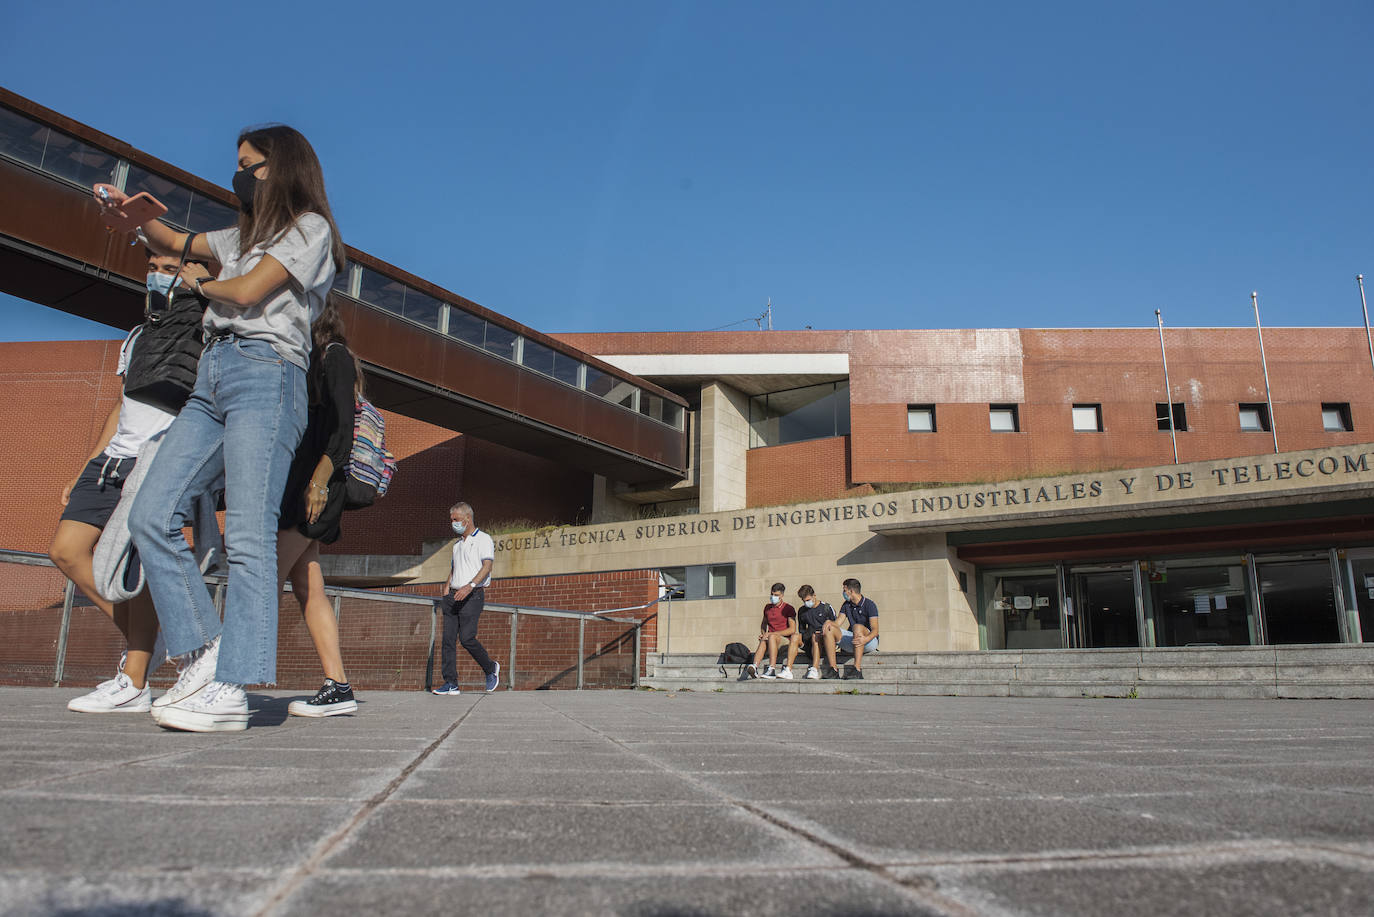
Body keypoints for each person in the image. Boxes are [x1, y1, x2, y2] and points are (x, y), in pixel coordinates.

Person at [100, 124, 345, 733]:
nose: (240, 175)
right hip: (211, 373)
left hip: (268, 374)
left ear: (280, 167)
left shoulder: (308, 229)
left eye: (250, 164)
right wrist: (130, 216)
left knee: (250, 536)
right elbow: (175, 238)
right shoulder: (238, 234)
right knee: (151, 514)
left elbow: (245, 290)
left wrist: (196, 282)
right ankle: (207, 654)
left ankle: (233, 686)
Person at [48, 253, 186, 712]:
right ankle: (148, 641)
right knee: (66, 551)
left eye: (167, 265)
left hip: (156, 458)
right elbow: (121, 405)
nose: (157, 273)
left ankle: (135, 676)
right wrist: (88, 463)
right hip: (111, 459)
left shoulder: (203, 331)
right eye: (153, 265)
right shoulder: (140, 333)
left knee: (132, 567)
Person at [276, 305, 365, 717]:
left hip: (315, 490)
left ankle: (220, 678)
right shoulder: (307, 360)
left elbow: (343, 431)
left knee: (263, 577)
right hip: (302, 487)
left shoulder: (335, 356)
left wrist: (317, 484)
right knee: (306, 585)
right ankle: (339, 686)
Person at [431, 502, 500, 695]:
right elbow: (454, 569)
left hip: (473, 595)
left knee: (467, 638)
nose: (453, 523)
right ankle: (450, 683)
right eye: (452, 519)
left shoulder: (483, 539)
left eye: (456, 519)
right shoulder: (457, 545)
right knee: (448, 641)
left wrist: (469, 586)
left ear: (467, 518)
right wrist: (446, 588)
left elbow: (487, 567)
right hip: (452, 596)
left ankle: (490, 668)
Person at [822, 577, 879, 680]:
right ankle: (833, 670)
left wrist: (865, 639)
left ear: (851, 591)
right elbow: (838, 622)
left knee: (857, 627)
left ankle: (857, 669)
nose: (843, 593)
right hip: (854, 639)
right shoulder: (846, 605)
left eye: (844, 590)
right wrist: (829, 622)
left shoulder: (869, 604)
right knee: (829, 628)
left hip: (869, 640)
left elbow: (875, 630)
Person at [786, 584, 837, 680]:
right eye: (804, 601)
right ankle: (788, 669)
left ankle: (814, 669)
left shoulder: (826, 607)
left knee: (816, 636)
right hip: (809, 643)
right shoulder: (802, 611)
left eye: (808, 600)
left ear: (814, 595)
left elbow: (835, 627)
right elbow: (802, 630)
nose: (806, 603)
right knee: (794, 636)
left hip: (823, 644)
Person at [746, 582, 796, 680]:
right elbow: (763, 624)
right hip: (770, 639)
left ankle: (772, 669)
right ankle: (755, 666)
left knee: (771, 636)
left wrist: (772, 633)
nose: (773, 597)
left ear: (782, 595)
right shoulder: (767, 608)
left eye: (776, 595)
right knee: (765, 639)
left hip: (784, 640)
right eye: (772, 594)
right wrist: (763, 634)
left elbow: (792, 629)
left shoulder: (788, 608)